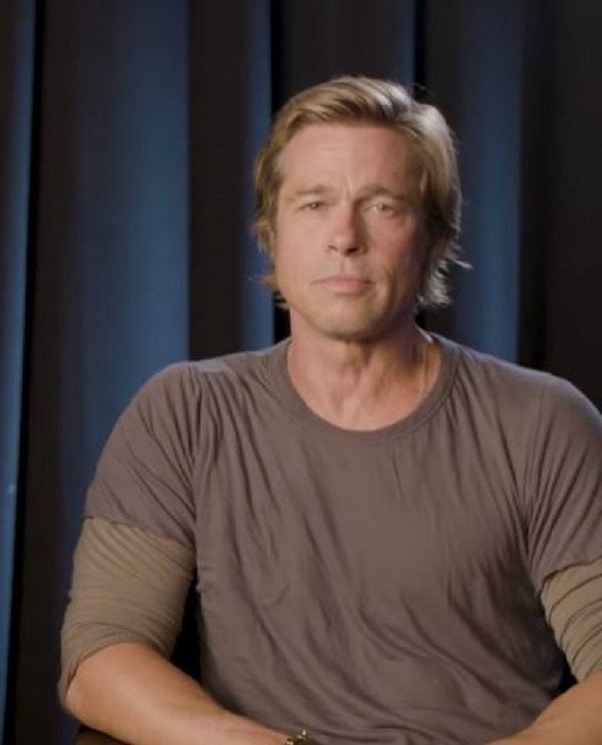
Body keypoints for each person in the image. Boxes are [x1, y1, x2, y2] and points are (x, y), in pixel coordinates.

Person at [59, 75, 602, 744]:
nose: (345, 236)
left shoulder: (542, 422)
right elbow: (101, 657)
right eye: (314, 204)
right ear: (272, 233)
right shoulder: (185, 413)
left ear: (435, 237)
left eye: (382, 206)